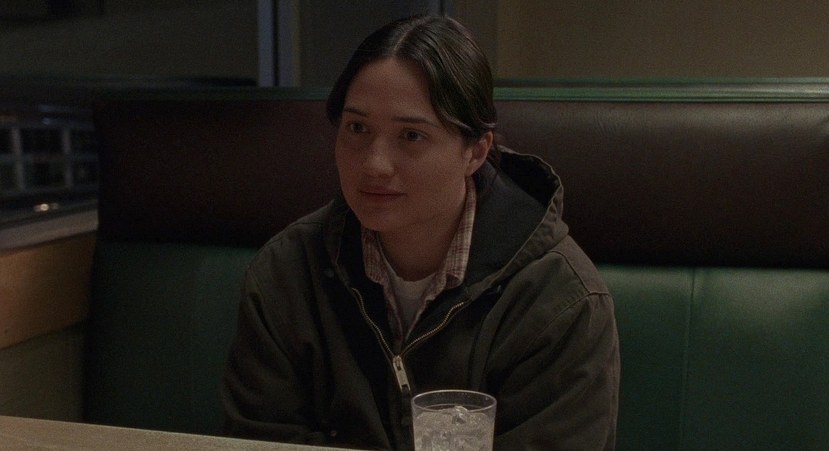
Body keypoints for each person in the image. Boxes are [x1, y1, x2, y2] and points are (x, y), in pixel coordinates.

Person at [222, 14, 620, 450]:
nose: (375, 164)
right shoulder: (287, 272)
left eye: (411, 136)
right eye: (357, 128)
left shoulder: (560, 301)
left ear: (476, 151)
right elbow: (259, 439)